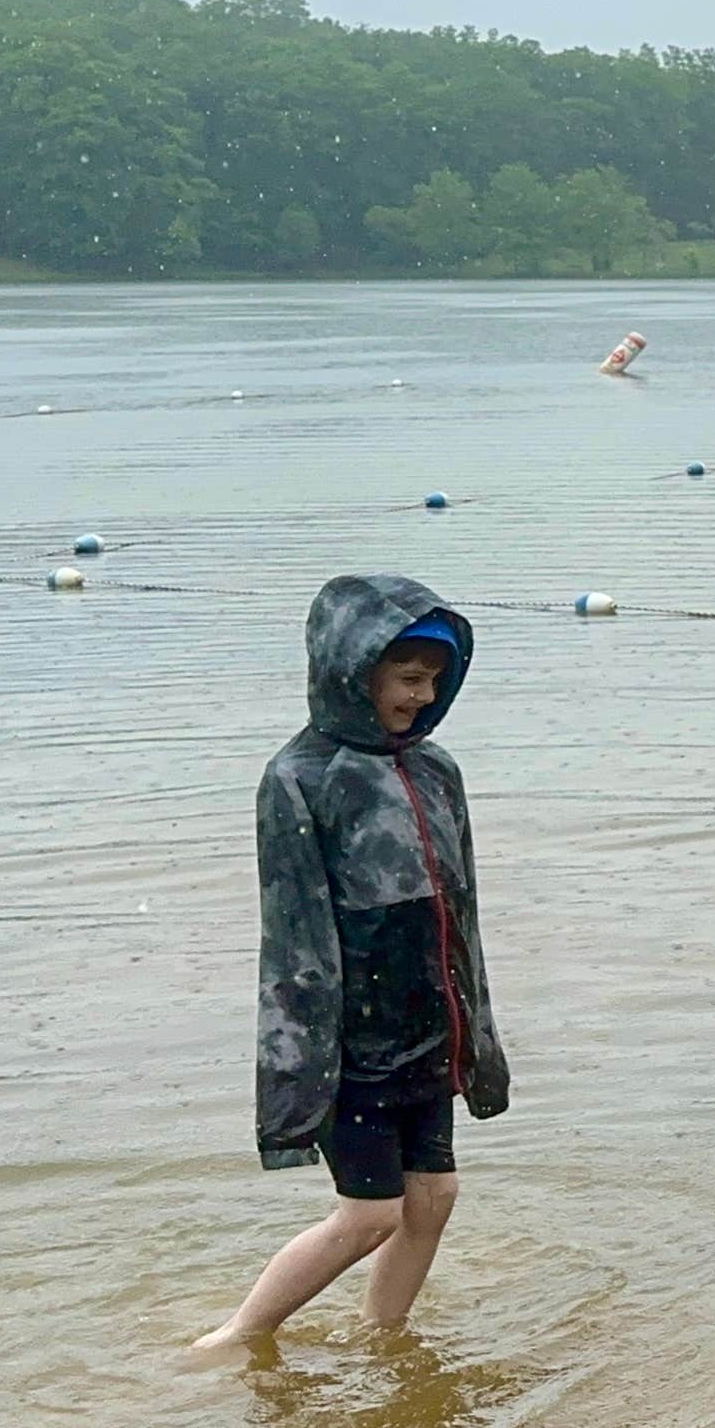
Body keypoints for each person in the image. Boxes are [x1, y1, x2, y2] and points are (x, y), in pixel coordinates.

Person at [195, 574, 510, 1350]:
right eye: (407, 678)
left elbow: (462, 915)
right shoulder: (298, 778)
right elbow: (293, 935)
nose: (422, 695)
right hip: (351, 1043)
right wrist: (301, 1067)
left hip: (430, 1030)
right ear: (354, 670)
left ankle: (384, 1338)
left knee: (433, 1196)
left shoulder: (437, 770)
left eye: (433, 679)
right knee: (370, 1213)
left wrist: (477, 1038)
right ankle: (234, 1338)